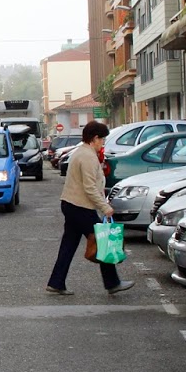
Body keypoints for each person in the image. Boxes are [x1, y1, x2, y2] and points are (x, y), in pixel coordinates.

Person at [46, 121, 133, 296]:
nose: (103, 142)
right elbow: (89, 187)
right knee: (104, 241)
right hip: (80, 207)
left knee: (69, 245)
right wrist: (105, 207)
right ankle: (112, 283)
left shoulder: (82, 152)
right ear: (95, 138)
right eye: (102, 139)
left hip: (72, 204)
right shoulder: (87, 156)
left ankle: (56, 282)